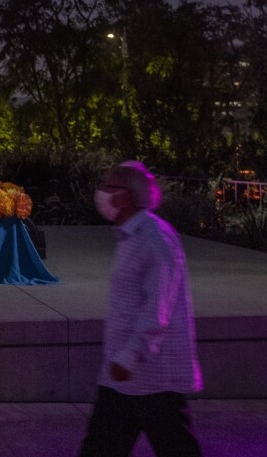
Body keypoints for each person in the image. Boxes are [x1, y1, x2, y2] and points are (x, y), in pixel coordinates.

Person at [79, 161, 203, 456]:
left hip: (154, 376)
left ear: (127, 195)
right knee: (101, 447)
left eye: (110, 188)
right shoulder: (131, 235)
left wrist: (128, 355)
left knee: (175, 446)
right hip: (124, 378)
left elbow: (157, 308)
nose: (103, 195)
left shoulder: (155, 238)